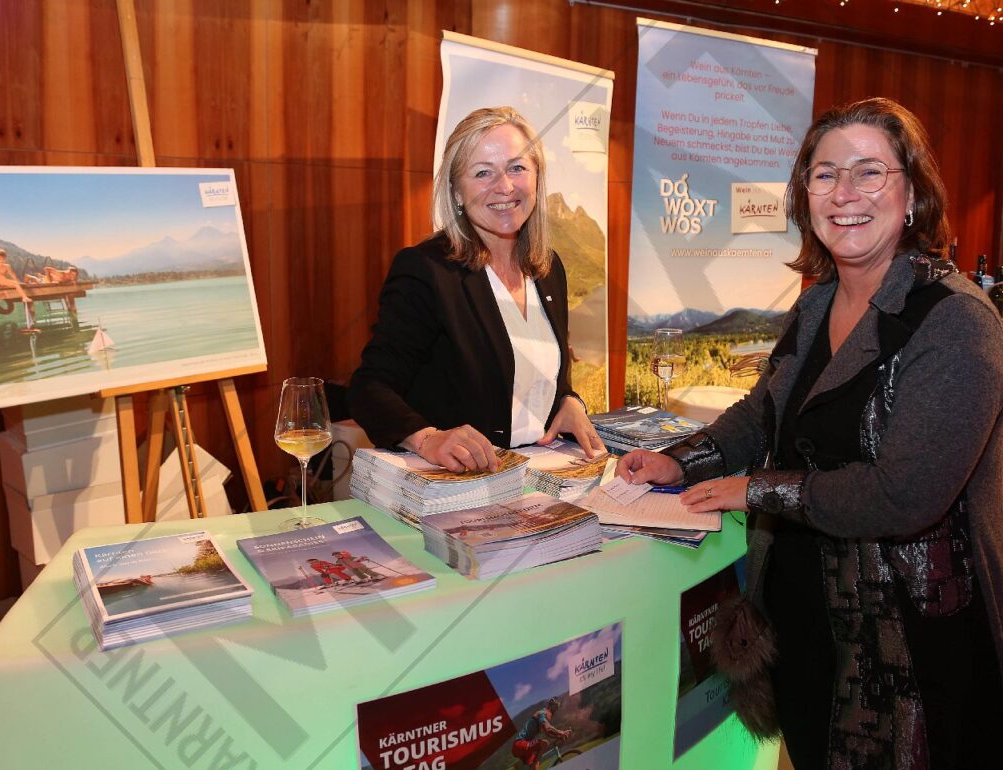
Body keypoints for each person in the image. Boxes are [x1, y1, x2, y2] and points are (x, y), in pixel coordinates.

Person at [618, 97, 1003, 769]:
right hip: (805, 622)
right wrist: (682, 461)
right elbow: (762, 411)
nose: (845, 193)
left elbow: (906, 494)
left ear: (912, 193)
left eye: (869, 171)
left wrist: (754, 490)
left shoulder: (957, 320)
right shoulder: (819, 301)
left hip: (908, 648)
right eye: (825, 174)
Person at [348, 106, 604, 472]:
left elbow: (541, 372)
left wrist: (568, 401)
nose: (505, 186)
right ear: (456, 191)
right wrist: (428, 439)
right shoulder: (427, 270)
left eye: (517, 168)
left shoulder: (549, 269)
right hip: (458, 486)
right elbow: (369, 389)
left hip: (537, 476)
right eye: (483, 172)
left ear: (536, 178)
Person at [511, 696, 571, 769]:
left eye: (557, 708)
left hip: (524, 747)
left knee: (535, 768)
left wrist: (559, 736)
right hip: (519, 744)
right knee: (544, 743)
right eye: (555, 708)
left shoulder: (543, 718)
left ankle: (521, 767)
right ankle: (534, 763)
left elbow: (548, 733)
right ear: (551, 706)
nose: (555, 712)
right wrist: (561, 732)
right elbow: (548, 728)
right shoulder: (542, 713)